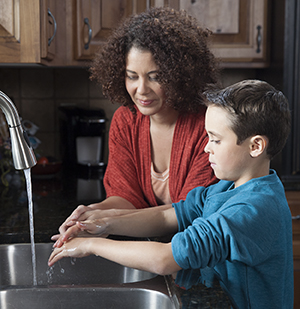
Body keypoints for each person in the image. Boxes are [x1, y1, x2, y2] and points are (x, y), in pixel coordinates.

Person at [49, 80, 293, 308]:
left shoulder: (253, 209)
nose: (207, 147)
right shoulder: (228, 187)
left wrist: (92, 245)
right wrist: (104, 223)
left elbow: (165, 259)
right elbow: (171, 214)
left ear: (255, 146)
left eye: (216, 140)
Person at [52, 7, 220, 243]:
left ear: (179, 75)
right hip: (151, 253)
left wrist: (109, 221)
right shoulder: (126, 120)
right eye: (132, 76)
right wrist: (93, 213)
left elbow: (185, 215)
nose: (141, 90)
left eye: (155, 77)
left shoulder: (208, 124)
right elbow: (126, 197)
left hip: (201, 256)